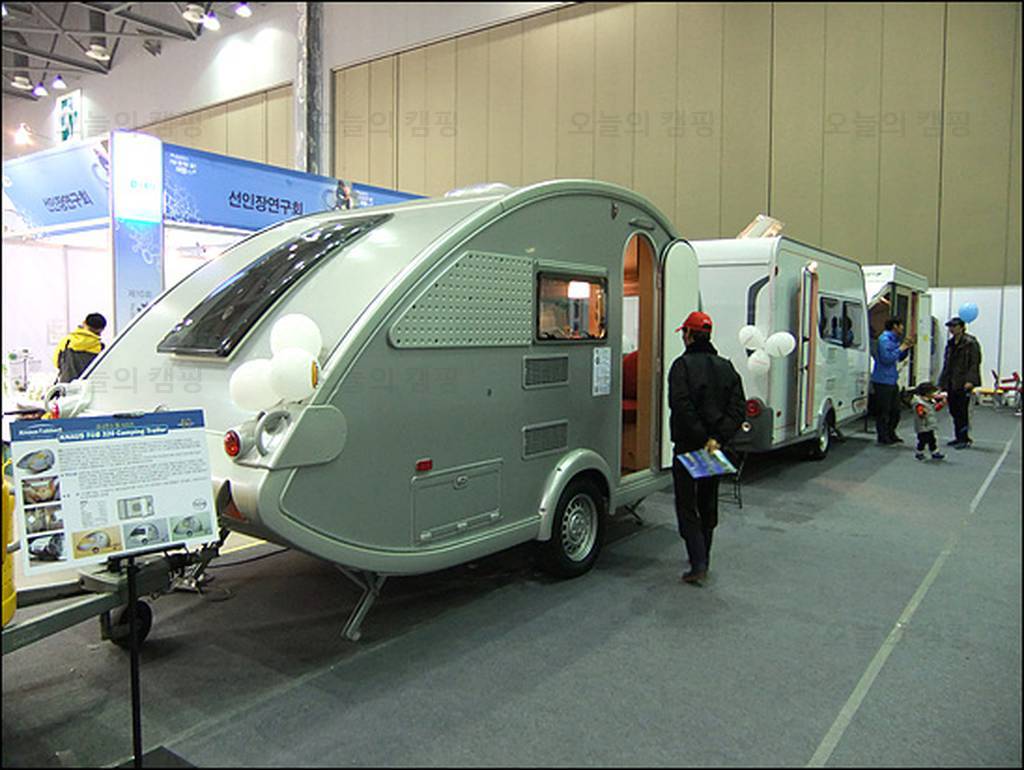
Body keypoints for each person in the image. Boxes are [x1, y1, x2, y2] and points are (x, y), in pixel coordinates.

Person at [668, 310, 746, 585]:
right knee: (707, 501)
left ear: (689, 334)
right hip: (715, 448)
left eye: (684, 333)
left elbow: (681, 405)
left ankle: (697, 561)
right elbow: (738, 409)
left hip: (689, 446)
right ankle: (704, 557)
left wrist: (701, 436)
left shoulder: (682, 366)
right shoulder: (727, 367)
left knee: (687, 505)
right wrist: (717, 438)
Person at [938, 316, 982, 449]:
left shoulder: (970, 343)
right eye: (950, 327)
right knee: (954, 410)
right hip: (951, 381)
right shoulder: (950, 343)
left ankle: (964, 438)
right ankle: (958, 437)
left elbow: (975, 362)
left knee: (963, 411)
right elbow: (947, 363)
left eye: (954, 326)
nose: (951, 329)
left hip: (963, 381)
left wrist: (970, 380)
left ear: (962, 327)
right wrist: (942, 382)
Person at [870, 317, 914, 445]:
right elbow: (886, 358)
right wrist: (901, 348)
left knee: (895, 411)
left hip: (891, 379)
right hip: (882, 380)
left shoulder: (894, 340)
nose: (902, 328)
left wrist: (907, 347)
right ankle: (883, 436)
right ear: (895, 326)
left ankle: (891, 433)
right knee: (884, 411)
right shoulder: (884, 340)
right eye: (901, 325)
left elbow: (899, 358)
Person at [53, 313, 106, 383]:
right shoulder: (100, 347)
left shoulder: (67, 341)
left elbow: (56, 362)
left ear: (84, 323)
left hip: (68, 384)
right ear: (101, 329)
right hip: (91, 386)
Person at [911, 382, 946, 461]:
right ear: (927, 393)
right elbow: (920, 413)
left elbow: (934, 409)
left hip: (929, 425)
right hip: (923, 426)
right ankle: (919, 452)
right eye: (932, 393)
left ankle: (934, 452)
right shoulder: (919, 403)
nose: (934, 394)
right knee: (922, 440)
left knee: (932, 439)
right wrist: (923, 412)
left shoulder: (929, 401)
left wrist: (941, 404)